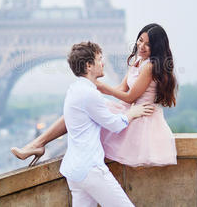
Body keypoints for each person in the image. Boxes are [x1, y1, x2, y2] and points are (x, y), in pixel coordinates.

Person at [11, 23, 178, 167]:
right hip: (131, 111)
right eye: (140, 40)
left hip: (141, 117)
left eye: (147, 44)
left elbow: (130, 97)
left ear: (156, 47)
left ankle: (38, 143)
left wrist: (100, 87)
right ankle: (38, 143)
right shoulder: (137, 61)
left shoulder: (149, 66)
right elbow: (121, 88)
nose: (141, 46)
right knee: (83, 108)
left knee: (84, 109)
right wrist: (94, 87)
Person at [56, 42, 154, 206]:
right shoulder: (89, 94)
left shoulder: (74, 89)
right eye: (100, 59)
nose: (104, 63)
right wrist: (132, 113)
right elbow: (115, 125)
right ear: (89, 65)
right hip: (91, 170)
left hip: (74, 171)